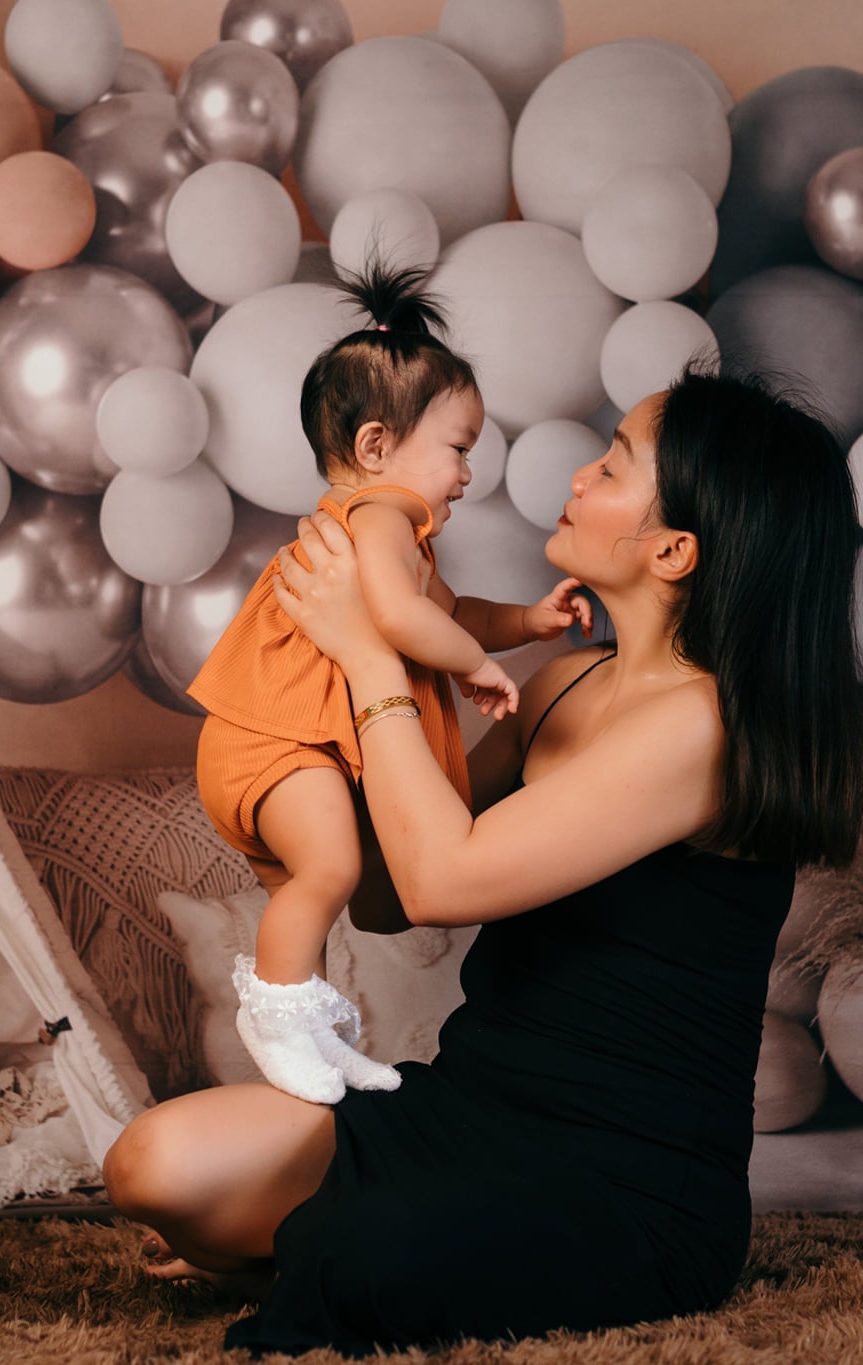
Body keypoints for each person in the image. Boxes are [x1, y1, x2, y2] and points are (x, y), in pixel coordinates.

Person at [105, 364, 863, 1355]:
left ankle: (317, 1247)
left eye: (613, 466)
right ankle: (318, 1240)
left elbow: (443, 879)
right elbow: (388, 898)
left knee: (352, 1252)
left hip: (624, 1179)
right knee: (152, 1164)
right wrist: (285, 779)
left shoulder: (702, 725)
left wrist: (370, 653)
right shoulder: (557, 683)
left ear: (673, 548)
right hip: (469, 1105)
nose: (580, 475)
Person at [185, 261, 591, 1106]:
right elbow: (407, 621)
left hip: (291, 749)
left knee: (314, 898)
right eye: (458, 449)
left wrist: (526, 623)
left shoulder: (398, 536)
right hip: (277, 742)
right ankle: (273, 1019)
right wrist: (476, 666)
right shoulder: (377, 516)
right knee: (329, 868)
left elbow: (452, 608)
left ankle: (317, 1041)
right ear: (376, 447)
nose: (467, 474)